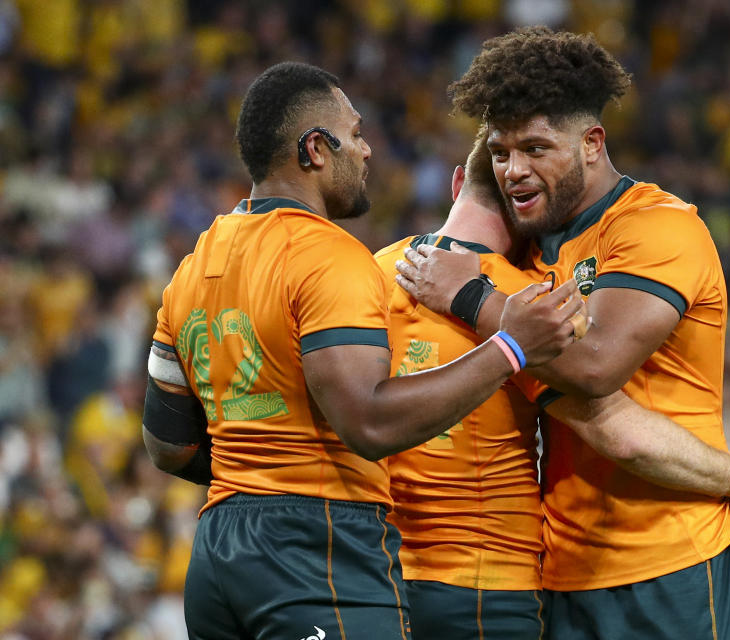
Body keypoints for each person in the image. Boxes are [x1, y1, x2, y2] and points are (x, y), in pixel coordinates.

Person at [140, 61, 584, 640]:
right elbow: (369, 423)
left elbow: (167, 444)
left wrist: (255, 477)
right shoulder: (330, 257)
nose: (368, 151)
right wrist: (511, 346)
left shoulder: (192, 267)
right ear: (315, 150)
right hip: (315, 550)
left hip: (217, 557)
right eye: (354, 135)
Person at [396, 28, 730, 639]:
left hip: (678, 564)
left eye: (537, 148)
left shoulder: (656, 229)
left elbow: (594, 369)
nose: (515, 170)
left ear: (592, 143)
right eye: (503, 151)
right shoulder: (526, 256)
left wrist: (467, 294)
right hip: (563, 578)